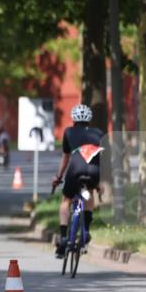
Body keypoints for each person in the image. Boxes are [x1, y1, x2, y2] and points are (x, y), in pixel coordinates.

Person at [51, 104, 104, 258]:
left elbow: (66, 158)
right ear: (89, 119)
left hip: (75, 171)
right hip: (94, 172)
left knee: (66, 199)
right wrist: (100, 183)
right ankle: (85, 231)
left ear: (73, 119)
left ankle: (63, 236)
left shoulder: (68, 132)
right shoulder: (99, 133)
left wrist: (58, 177)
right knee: (88, 193)